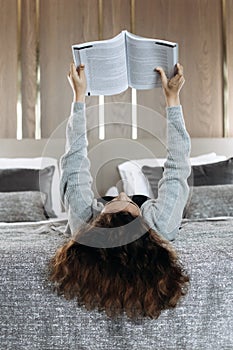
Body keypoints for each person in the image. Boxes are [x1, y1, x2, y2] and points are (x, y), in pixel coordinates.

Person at [49, 62, 191, 319]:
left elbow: (74, 163)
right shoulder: (161, 225)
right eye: (128, 201)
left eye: (114, 200)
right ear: (144, 225)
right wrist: (173, 100)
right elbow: (177, 166)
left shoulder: (84, 222)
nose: (122, 194)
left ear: (100, 219)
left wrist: (79, 97)